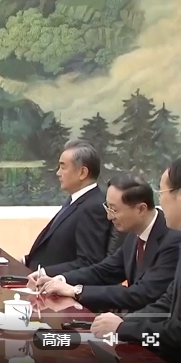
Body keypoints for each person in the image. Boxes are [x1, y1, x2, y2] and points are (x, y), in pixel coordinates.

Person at [29, 173, 181, 312]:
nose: (109, 217)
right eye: (107, 207)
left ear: (141, 209)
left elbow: (141, 293)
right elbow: (105, 271)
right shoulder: (134, 234)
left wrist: (76, 291)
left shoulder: (173, 240)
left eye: (114, 210)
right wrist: (59, 280)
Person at [91, 157, 181, 358]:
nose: (159, 201)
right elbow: (167, 302)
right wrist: (122, 324)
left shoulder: (173, 241)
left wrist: (124, 329)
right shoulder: (134, 235)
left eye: (162, 193)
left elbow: (177, 334)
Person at [24, 139, 110, 274]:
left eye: (63, 167)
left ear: (82, 172)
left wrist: (44, 273)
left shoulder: (93, 207)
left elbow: (88, 262)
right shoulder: (75, 200)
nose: (58, 173)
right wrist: (25, 261)